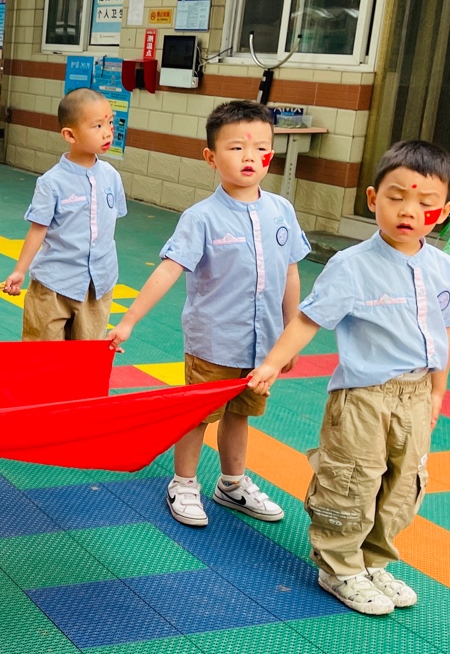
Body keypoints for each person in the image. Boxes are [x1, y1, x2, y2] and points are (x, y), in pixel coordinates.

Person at [248, 140, 450, 616]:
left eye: (426, 203)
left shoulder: (445, 269)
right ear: (372, 198)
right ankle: (339, 566)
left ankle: (373, 561)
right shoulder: (351, 266)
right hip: (364, 397)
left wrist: (437, 393)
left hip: (416, 395)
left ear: (445, 211)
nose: (408, 211)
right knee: (352, 480)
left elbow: (444, 333)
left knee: (403, 484)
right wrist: (271, 364)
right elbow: (308, 319)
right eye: (396, 197)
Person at [109, 100, 308, 528]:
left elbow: (291, 273)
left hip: (263, 344)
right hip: (214, 343)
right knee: (196, 416)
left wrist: (290, 333)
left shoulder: (282, 211)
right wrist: (128, 321)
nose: (250, 157)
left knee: (241, 412)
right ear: (211, 157)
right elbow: (168, 270)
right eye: (236, 148)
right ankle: (183, 482)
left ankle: (232, 483)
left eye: (261, 148)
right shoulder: (201, 218)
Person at [3, 88, 125, 340]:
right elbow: (38, 229)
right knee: (43, 354)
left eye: (110, 123)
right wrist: (20, 270)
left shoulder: (112, 177)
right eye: (97, 126)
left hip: (98, 286)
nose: (108, 132)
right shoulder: (52, 182)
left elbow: (108, 227)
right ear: (69, 134)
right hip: (54, 285)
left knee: (87, 355)